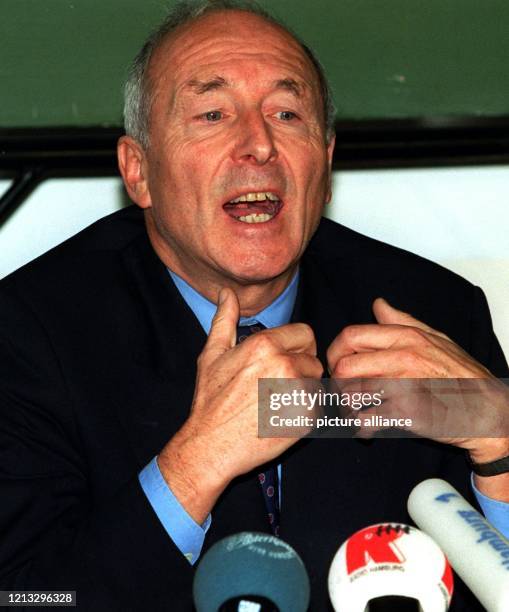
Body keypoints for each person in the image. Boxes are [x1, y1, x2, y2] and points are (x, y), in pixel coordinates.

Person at [1, 1, 508, 610]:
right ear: (138, 171)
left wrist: (501, 439)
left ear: (324, 161)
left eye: (287, 114)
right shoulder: (28, 333)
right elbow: (29, 595)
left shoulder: (433, 310)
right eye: (213, 113)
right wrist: (197, 462)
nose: (259, 145)